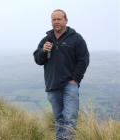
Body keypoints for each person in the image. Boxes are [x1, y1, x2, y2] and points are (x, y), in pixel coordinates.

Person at [33, 9, 89, 140]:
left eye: (59, 19)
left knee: (70, 118)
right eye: (54, 19)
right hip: (52, 86)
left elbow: (84, 59)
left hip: (70, 85)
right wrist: (43, 51)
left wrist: (75, 79)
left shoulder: (76, 38)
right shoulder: (46, 39)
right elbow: (38, 60)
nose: (56, 22)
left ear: (66, 21)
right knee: (59, 119)